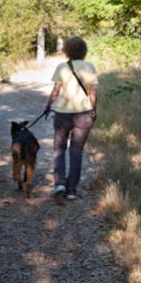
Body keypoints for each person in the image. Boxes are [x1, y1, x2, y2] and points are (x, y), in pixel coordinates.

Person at [44, 36, 98, 200]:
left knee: (59, 148)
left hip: (62, 114)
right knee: (76, 152)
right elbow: (94, 91)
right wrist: (93, 109)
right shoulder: (89, 66)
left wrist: (48, 105)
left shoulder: (62, 67)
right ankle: (72, 190)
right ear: (84, 50)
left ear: (67, 50)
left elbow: (56, 90)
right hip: (83, 114)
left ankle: (59, 183)